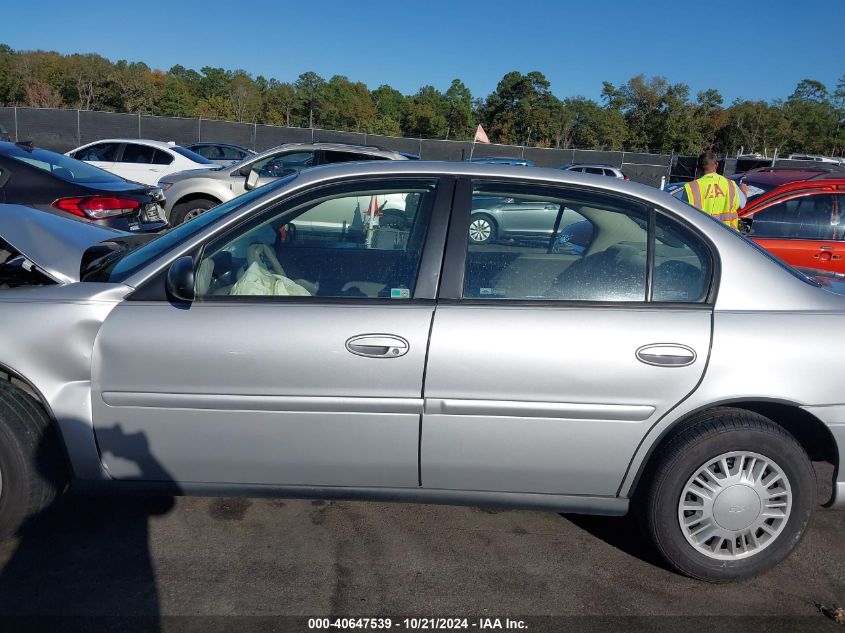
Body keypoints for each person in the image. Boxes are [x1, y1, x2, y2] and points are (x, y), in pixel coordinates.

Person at [677, 151, 745, 230]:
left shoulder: (691, 187)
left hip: (704, 236)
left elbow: (683, 213)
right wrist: (743, 191)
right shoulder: (730, 184)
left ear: (698, 168)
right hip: (729, 236)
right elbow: (742, 204)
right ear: (716, 165)